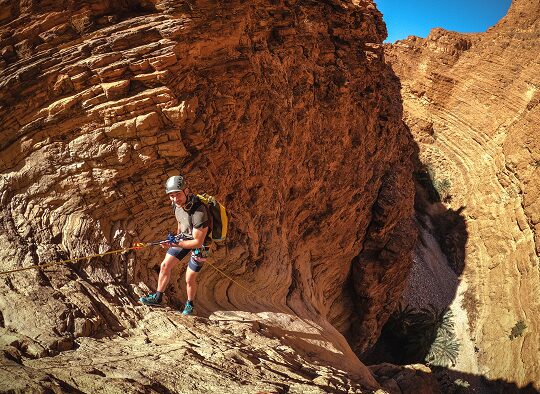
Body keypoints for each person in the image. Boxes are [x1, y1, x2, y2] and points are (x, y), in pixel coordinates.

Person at [139, 175, 212, 315]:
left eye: (178, 194)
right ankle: (158, 297)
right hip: (184, 238)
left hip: (201, 246)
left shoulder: (199, 212)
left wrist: (176, 242)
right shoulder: (176, 205)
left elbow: (198, 242)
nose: (175, 199)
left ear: (186, 190)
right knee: (165, 265)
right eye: (171, 196)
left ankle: (190, 305)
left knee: (189, 278)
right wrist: (175, 237)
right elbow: (180, 221)